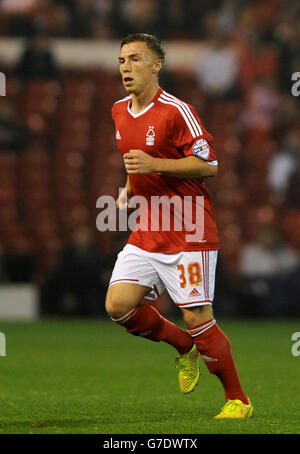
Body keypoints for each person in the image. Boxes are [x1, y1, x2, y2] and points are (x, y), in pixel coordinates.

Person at [105, 33, 253, 419]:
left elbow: (210, 165)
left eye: (135, 59)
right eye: (122, 60)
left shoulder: (176, 111)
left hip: (189, 228)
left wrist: (157, 165)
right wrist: (126, 190)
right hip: (148, 226)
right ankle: (184, 347)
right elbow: (134, 161)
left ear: (157, 65)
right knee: (118, 305)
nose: (125, 66)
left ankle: (238, 400)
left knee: (197, 315)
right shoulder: (119, 110)